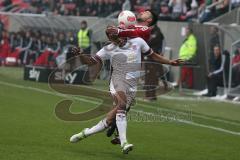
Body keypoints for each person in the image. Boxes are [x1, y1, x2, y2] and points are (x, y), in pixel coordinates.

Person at [69, 31, 182, 154]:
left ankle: (85, 133)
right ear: (110, 39)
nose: (119, 40)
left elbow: (153, 55)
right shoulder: (109, 48)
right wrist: (81, 55)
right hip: (116, 82)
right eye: (114, 38)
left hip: (132, 86)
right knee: (121, 105)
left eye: (119, 37)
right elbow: (91, 61)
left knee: (110, 120)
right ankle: (124, 142)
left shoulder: (138, 42)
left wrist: (170, 62)